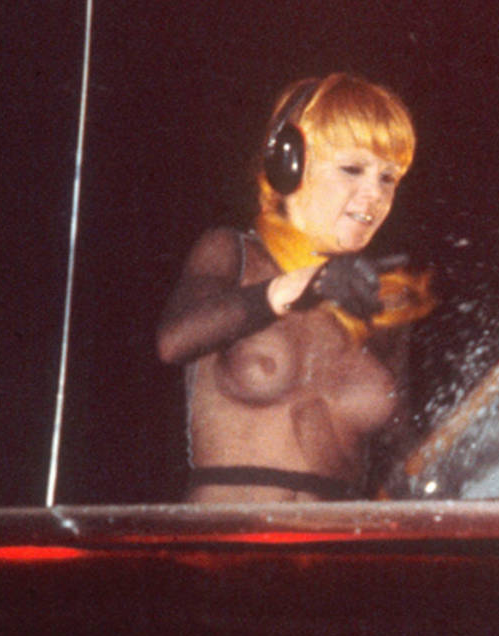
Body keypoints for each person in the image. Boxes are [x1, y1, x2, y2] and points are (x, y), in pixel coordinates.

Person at [157, 74, 432, 502]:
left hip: (337, 558)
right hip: (223, 553)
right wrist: (302, 285)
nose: (374, 195)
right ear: (291, 165)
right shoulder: (232, 253)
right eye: (352, 169)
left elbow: (404, 451)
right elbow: (174, 341)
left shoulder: (379, 300)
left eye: (388, 178)